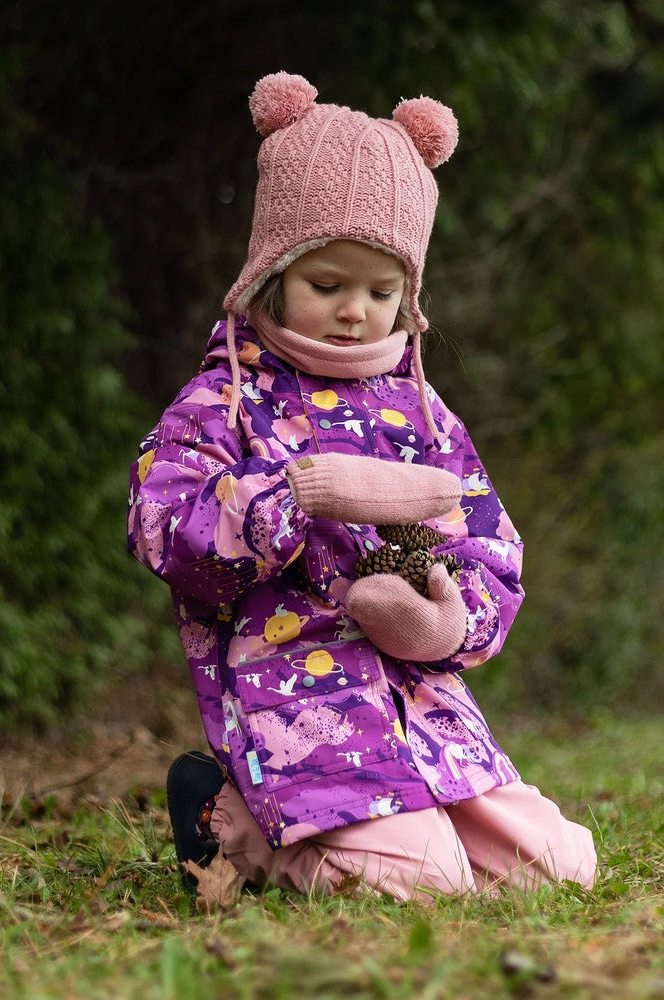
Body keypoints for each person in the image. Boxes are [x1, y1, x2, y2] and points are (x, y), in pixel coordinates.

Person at [128, 71, 597, 901]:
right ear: (274, 272)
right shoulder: (228, 397)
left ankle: (415, 827)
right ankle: (234, 824)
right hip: (300, 701)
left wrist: (447, 622)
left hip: (424, 706)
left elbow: (489, 543)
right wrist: (295, 494)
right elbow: (162, 522)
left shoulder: (423, 412)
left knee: (558, 871)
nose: (354, 312)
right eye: (327, 285)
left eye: (381, 292)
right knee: (418, 879)